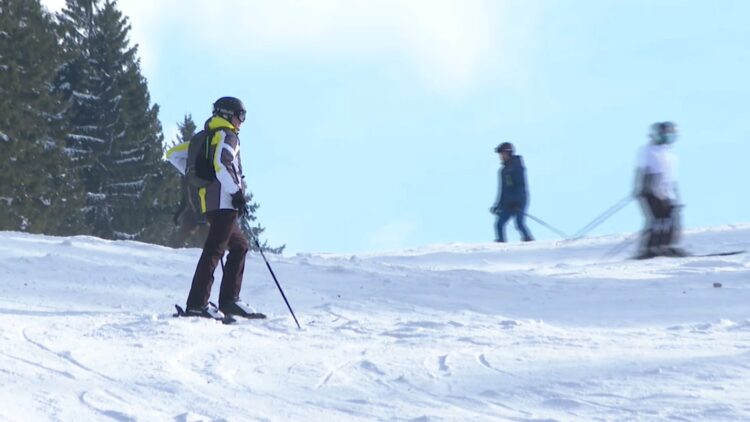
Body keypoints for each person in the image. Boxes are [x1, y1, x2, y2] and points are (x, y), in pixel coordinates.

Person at [182, 96, 264, 320]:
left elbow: (179, 157)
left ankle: (229, 300)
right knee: (214, 250)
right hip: (223, 203)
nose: (242, 121)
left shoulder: (209, 135)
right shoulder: (228, 136)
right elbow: (222, 164)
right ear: (228, 115)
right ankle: (198, 303)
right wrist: (236, 193)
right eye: (241, 116)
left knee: (239, 246)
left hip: (211, 202)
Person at [634, 121, 685, 259]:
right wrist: (645, 188)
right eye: (665, 134)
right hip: (651, 191)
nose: (669, 137)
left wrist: (676, 196)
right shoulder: (648, 150)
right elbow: (644, 170)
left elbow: (671, 177)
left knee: (672, 220)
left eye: (671, 134)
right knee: (658, 221)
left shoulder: (669, 153)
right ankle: (650, 248)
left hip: (667, 192)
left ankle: (667, 246)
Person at [490, 142, 533, 243]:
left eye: (502, 154)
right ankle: (501, 244)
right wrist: (498, 205)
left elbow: (521, 186)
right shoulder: (503, 171)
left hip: (519, 201)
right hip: (508, 203)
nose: (501, 156)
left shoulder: (517, 167)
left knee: (519, 224)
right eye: (500, 154)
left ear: (509, 153)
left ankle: (529, 241)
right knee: (499, 224)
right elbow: (503, 190)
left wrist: (518, 203)